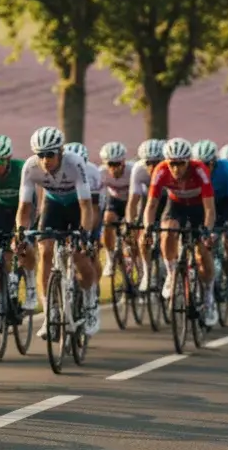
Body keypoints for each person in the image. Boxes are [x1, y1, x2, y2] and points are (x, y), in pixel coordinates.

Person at [17, 127, 98, 337]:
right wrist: (20, 232)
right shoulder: (30, 167)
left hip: (75, 206)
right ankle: (50, 312)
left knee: (80, 256)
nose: (45, 160)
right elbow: (24, 207)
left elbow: (86, 205)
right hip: (53, 206)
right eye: (41, 155)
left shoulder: (75, 163)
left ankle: (90, 305)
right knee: (45, 252)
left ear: (61, 152)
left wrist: (84, 234)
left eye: (50, 154)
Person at [145, 138, 219, 326]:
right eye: (172, 164)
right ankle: (172, 274)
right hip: (176, 204)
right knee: (167, 232)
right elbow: (151, 205)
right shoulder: (160, 170)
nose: (176, 168)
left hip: (198, 207)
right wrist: (147, 228)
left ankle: (209, 296)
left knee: (202, 252)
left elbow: (209, 209)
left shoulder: (200, 170)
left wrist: (207, 232)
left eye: (180, 164)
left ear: (189, 161)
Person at [0, 134, 38, 324]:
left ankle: (30, 285)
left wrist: (20, 231)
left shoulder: (21, 169)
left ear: (8, 159)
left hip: (26, 206)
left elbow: (29, 203)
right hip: (2, 208)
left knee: (23, 245)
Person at [65, 141, 104, 334]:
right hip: (69, 206)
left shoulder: (92, 172)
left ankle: (92, 294)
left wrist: (87, 235)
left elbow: (93, 210)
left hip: (91, 209)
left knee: (89, 251)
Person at [195, 139, 228, 302]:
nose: (204, 168)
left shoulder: (227, 169)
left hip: (225, 203)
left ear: (215, 162)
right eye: (200, 164)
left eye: (208, 164)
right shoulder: (194, 171)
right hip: (204, 203)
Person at [127, 139, 166, 288]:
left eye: (156, 162)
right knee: (144, 236)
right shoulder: (138, 169)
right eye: (148, 163)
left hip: (168, 199)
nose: (152, 167)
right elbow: (133, 202)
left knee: (169, 231)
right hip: (148, 199)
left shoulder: (169, 169)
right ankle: (147, 272)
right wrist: (130, 224)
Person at [98, 141, 132, 280]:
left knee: (134, 230)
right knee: (108, 219)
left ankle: (138, 263)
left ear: (124, 162)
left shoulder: (132, 170)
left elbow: (140, 196)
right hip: (115, 201)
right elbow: (100, 198)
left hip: (132, 201)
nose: (114, 168)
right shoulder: (101, 173)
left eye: (117, 164)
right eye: (110, 164)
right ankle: (110, 258)